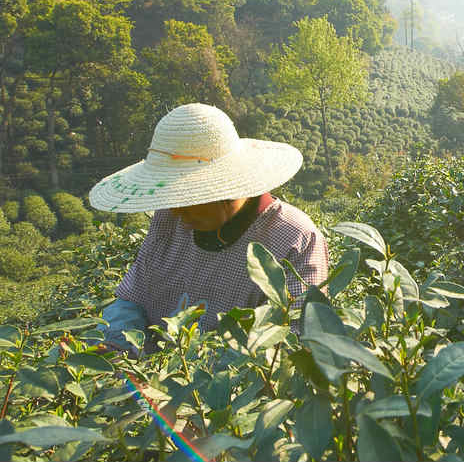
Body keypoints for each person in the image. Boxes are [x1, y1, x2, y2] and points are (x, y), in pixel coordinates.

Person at [88, 102, 329, 355]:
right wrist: (116, 347)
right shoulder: (168, 220)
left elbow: (295, 343)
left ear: (226, 186)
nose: (177, 212)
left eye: (186, 197)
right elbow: (132, 297)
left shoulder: (294, 238)